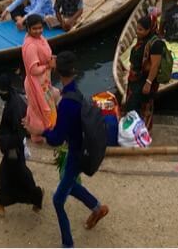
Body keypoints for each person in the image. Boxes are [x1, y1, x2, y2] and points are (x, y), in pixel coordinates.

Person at [42, 53, 109, 247]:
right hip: (81, 147)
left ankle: (68, 244)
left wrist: (42, 131)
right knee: (68, 182)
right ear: (74, 71)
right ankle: (97, 208)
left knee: (57, 200)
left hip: (76, 155)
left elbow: (56, 139)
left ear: (58, 71)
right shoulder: (74, 93)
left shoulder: (67, 103)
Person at [0, 70, 43, 218]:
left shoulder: (13, 107)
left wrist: (0, 140)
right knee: (17, 174)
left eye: (1, 91)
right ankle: (35, 196)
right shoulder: (15, 98)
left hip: (13, 149)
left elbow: (18, 135)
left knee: (9, 174)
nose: (0, 93)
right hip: (14, 149)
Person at [122, 16, 169, 124]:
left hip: (144, 80)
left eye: (140, 29)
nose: (137, 32)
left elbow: (155, 65)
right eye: (137, 28)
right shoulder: (142, 40)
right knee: (131, 105)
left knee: (144, 106)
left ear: (149, 30)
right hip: (135, 79)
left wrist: (148, 83)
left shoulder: (156, 44)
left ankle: (144, 129)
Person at [20, 14, 57, 140]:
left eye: (40, 28)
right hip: (36, 82)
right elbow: (33, 70)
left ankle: (40, 132)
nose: (38, 31)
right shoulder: (31, 46)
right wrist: (48, 65)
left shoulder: (40, 39)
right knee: (38, 110)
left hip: (44, 81)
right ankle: (36, 133)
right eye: (34, 29)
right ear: (28, 29)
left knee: (39, 108)